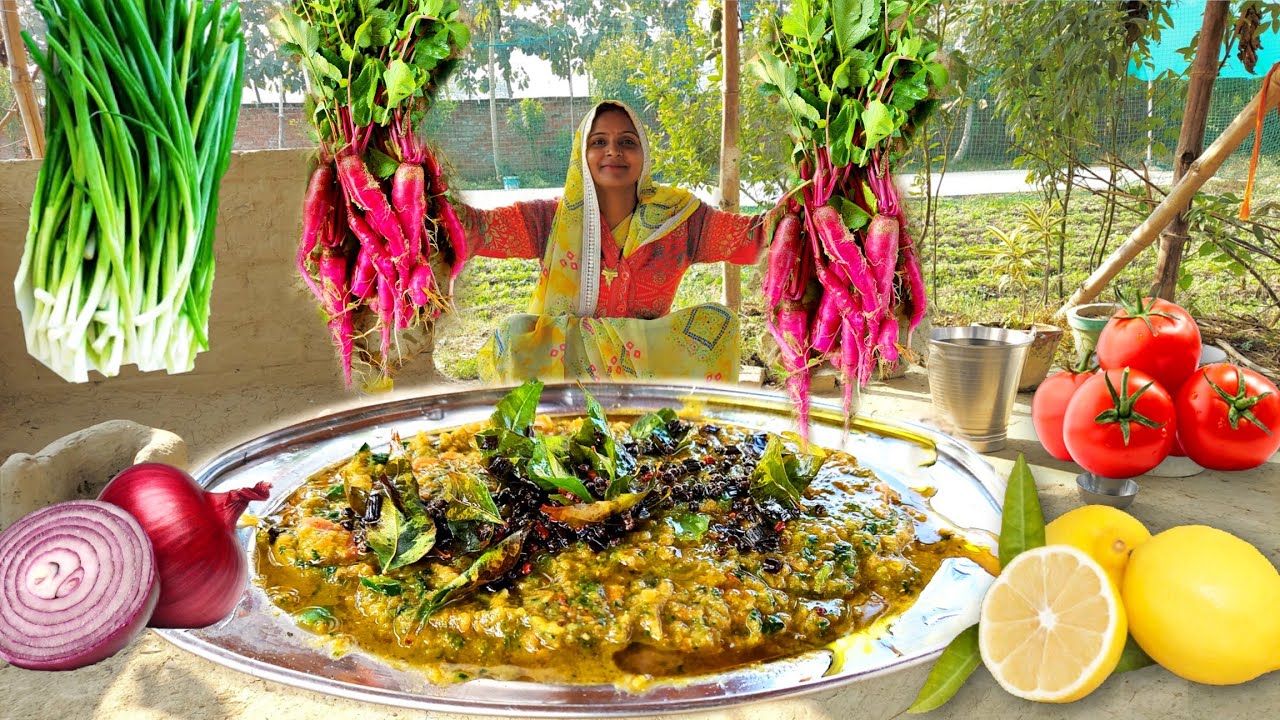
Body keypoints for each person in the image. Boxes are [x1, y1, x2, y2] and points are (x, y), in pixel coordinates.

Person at [457, 100, 774, 384]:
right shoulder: (550, 218)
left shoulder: (680, 219)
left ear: (644, 153)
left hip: (644, 364)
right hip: (566, 366)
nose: (613, 151)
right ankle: (550, 412)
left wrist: (791, 213)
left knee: (720, 323)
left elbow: (755, 236)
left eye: (627, 142)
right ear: (582, 154)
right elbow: (476, 228)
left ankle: (677, 411)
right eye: (599, 142)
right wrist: (436, 200)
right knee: (514, 332)